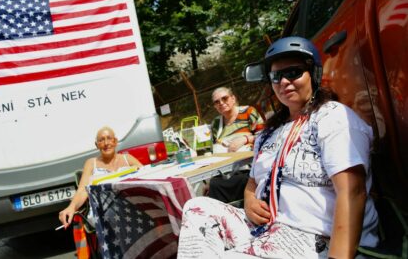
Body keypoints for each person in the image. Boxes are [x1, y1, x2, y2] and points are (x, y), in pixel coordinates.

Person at [177, 36, 379, 258]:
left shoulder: (332, 117)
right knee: (197, 208)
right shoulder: (269, 131)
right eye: (276, 76)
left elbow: (353, 191)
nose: (283, 82)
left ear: (313, 74)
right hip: (269, 227)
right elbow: (253, 180)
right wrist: (250, 199)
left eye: (293, 72)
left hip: (314, 237)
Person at [58, 126, 143, 229]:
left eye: (109, 138)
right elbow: (82, 191)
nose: (106, 143)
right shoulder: (91, 164)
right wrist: (71, 207)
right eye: (101, 140)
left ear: (115, 141)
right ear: (96, 145)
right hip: (104, 218)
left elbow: (146, 179)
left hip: (129, 212)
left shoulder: (128, 159)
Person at [206, 87, 265, 203]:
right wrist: (208, 181)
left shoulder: (248, 112)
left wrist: (245, 138)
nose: (221, 103)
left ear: (233, 98)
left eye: (224, 98)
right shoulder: (216, 124)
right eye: (217, 102)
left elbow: (266, 137)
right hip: (224, 173)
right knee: (213, 185)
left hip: (250, 169)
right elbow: (213, 154)